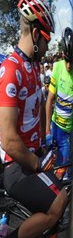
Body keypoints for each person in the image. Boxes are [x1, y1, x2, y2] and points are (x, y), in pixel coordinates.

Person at [0, 0, 67, 238]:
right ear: (35, 33)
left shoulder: (33, 66)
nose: (48, 45)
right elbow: (9, 139)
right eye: (47, 38)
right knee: (58, 203)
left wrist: (45, 148)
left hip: (33, 157)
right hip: (16, 166)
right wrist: (38, 163)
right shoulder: (10, 70)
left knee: (63, 189)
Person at [45, 27, 73, 181]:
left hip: (68, 133)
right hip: (55, 126)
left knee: (62, 174)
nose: (69, 66)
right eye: (67, 60)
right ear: (63, 56)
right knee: (48, 167)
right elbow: (49, 100)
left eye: (72, 62)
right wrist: (47, 130)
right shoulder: (57, 67)